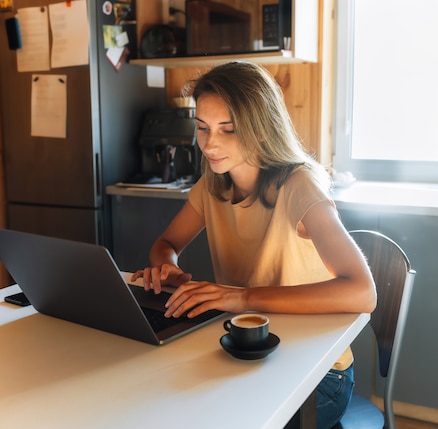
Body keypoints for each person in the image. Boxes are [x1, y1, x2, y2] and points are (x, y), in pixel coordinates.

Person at [131, 61, 376, 428]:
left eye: (227, 130)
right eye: (203, 128)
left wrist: (240, 297)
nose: (210, 144)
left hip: (317, 375)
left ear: (261, 130)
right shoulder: (214, 184)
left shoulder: (299, 185)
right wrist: (168, 265)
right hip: (244, 350)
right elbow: (165, 242)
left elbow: (362, 292)